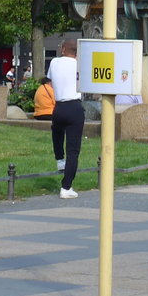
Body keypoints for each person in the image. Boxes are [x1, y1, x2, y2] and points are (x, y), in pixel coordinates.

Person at [48, 40, 84, 197]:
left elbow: (50, 80)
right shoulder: (80, 64)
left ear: (63, 49)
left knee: (56, 129)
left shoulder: (54, 62)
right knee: (73, 150)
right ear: (77, 52)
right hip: (75, 107)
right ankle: (66, 187)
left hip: (59, 106)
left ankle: (59, 159)